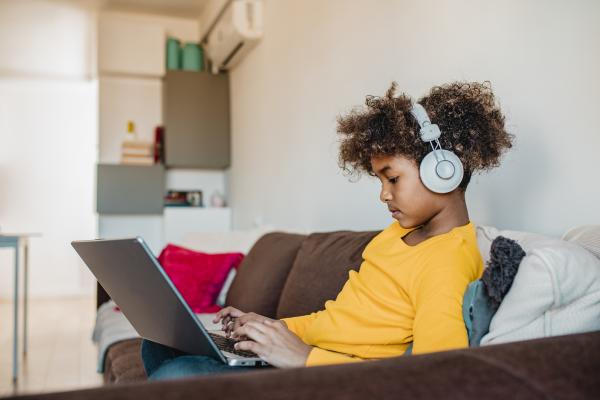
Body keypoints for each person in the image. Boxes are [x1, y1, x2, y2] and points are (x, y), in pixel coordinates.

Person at [142, 81, 514, 380]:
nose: (384, 194)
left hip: (331, 380)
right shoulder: (395, 235)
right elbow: (334, 322)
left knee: (180, 373)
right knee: (159, 344)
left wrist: (303, 358)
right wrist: (269, 330)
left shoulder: (446, 261)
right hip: (305, 361)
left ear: (443, 169)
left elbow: (432, 377)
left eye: (393, 179)